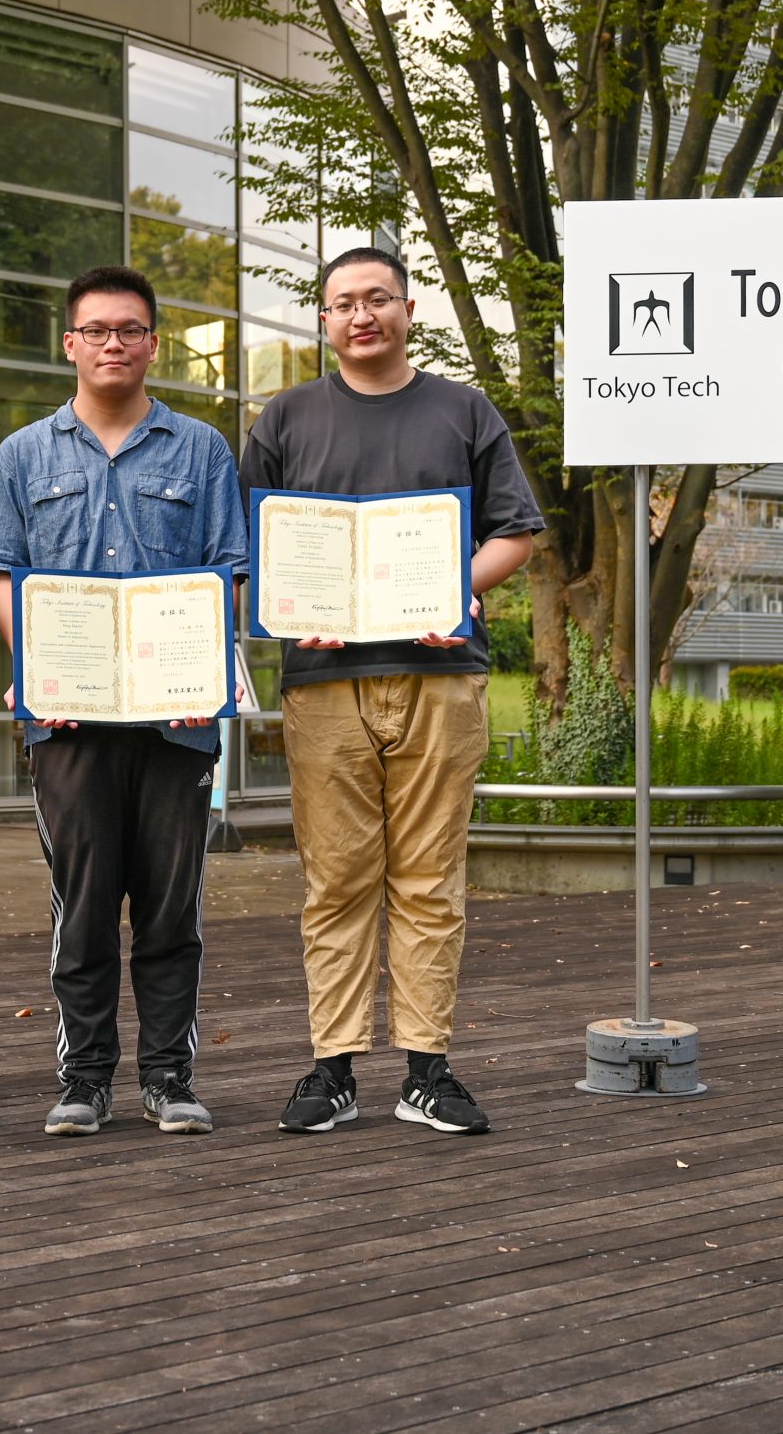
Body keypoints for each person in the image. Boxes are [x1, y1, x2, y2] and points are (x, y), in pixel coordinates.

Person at [240, 246, 543, 1137]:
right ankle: (331, 1068)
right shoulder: (286, 418)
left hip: (441, 674)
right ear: (324, 320)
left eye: (378, 299)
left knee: (429, 877)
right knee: (335, 880)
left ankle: (427, 1068)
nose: (361, 315)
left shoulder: (464, 410)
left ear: (409, 309)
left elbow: (514, 534)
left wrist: (456, 592)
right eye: (343, 303)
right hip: (325, 682)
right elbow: (254, 547)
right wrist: (291, 606)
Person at [0, 264, 248, 1137]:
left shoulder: (202, 450)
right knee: (81, 908)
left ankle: (170, 1078)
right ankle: (84, 1080)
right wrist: (37, 659)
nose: (113, 344)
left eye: (130, 330)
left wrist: (204, 667)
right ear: (70, 345)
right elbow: (1, 578)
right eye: (97, 330)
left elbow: (230, 577)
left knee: (171, 907)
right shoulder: (22, 455)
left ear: (153, 344)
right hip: (69, 718)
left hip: (177, 719)